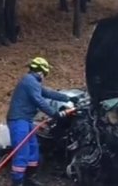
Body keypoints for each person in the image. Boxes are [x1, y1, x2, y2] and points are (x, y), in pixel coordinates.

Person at [6, 57, 73, 186]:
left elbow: (48, 93)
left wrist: (67, 98)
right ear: (42, 72)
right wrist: (56, 114)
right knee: (22, 153)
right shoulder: (29, 81)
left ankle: (28, 179)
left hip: (26, 120)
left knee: (33, 150)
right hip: (19, 120)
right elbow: (39, 101)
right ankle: (18, 182)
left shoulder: (32, 82)